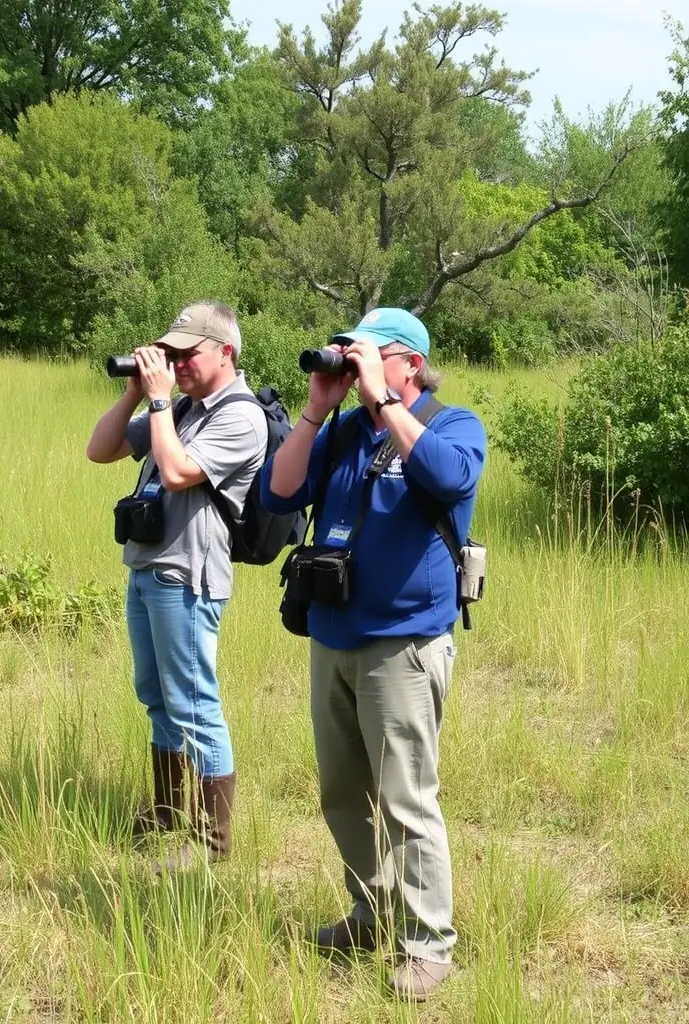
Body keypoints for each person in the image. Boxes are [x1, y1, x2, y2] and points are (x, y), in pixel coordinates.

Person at [260, 308, 486, 1001]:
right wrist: (313, 411)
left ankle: (428, 944)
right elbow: (279, 490)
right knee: (340, 793)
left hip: (405, 641)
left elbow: (448, 480)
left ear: (410, 364)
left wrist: (384, 403)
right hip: (332, 635)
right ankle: (372, 913)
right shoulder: (345, 430)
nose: (352, 364)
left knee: (405, 798)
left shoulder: (453, 425)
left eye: (369, 354)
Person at [86, 302, 267, 866]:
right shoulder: (181, 407)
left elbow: (177, 472)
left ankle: (211, 846)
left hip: (188, 575)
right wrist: (135, 393)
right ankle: (167, 812)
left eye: (189, 352)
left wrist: (162, 400)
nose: (177, 362)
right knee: (157, 698)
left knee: (195, 705)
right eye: (172, 352)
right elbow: (101, 449)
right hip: (147, 568)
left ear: (225, 352)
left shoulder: (241, 416)